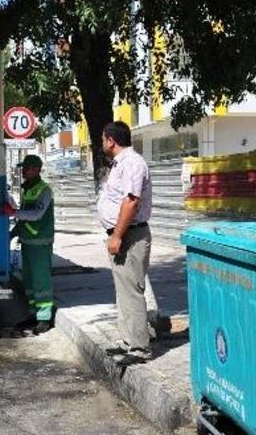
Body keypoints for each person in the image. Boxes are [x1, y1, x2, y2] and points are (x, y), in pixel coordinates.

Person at [96, 121, 154, 364]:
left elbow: (131, 202)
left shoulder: (132, 163)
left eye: (102, 139)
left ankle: (140, 348)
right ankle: (129, 341)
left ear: (111, 140)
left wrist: (117, 235)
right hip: (123, 234)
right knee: (124, 292)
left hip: (130, 235)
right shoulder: (121, 164)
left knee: (132, 292)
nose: (101, 144)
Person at [3, 154, 55, 336]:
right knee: (30, 282)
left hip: (40, 243)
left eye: (26, 168)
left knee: (41, 281)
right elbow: (25, 217)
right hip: (28, 242)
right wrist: (12, 234)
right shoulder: (28, 189)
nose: (23, 171)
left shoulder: (44, 190)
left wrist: (14, 212)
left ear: (36, 169)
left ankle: (45, 318)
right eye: (23, 168)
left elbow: (36, 215)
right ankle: (34, 314)